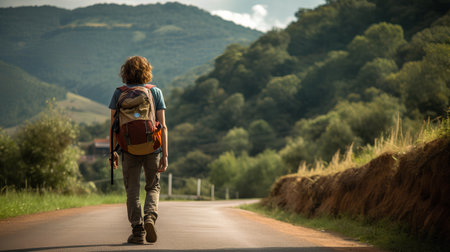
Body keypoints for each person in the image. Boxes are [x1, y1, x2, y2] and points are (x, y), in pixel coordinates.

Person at [109, 56, 168, 244]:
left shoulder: (119, 93)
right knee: (153, 186)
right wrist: (165, 155)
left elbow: (112, 126)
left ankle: (137, 231)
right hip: (152, 147)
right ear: (147, 71)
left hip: (128, 148)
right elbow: (163, 126)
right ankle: (150, 217)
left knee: (132, 190)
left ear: (125, 73)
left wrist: (112, 152)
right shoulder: (155, 92)